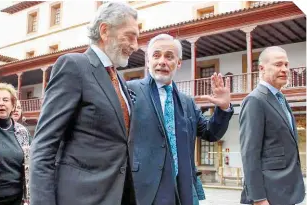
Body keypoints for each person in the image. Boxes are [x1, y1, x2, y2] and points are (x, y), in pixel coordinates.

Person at [29, 2, 139, 205]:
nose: (135, 45)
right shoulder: (74, 66)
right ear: (105, 30)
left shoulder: (119, 81)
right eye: (130, 36)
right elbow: (44, 145)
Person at [128, 34, 233, 205]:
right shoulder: (130, 91)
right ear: (148, 61)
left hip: (182, 189)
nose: (162, 61)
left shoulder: (187, 102)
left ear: (178, 63)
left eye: (169, 56)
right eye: (156, 55)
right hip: (144, 189)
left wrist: (222, 108)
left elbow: (211, 133)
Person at [239, 46, 305, 205]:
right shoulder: (255, 100)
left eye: (287, 65)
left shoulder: (280, 99)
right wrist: (259, 199)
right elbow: (250, 154)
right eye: (278, 64)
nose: (284, 69)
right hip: (268, 196)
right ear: (261, 68)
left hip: (286, 193)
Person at [0, 83, 30, 205]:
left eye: (5, 100)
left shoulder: (22, 131)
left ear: (13, 105)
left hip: (17, 198)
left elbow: (29, 163)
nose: (1, 103)